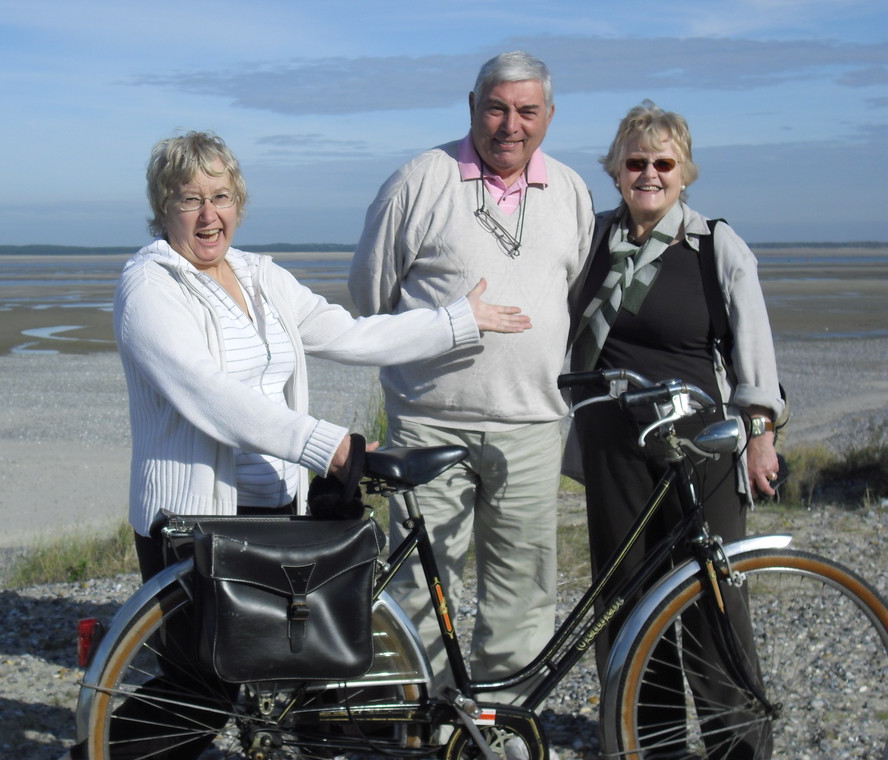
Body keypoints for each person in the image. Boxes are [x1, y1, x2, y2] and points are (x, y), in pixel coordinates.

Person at [109, 130, 531, 759]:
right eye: (188, 199)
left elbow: (348, 334)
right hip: (193, 520)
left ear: (239, 202)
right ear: (162, 208)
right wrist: (325, 445)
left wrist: (455, 322)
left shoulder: (258, 276)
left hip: (275, 513)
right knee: (203, 685)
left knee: (282, 674)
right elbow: (210, 394)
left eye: (220, 196)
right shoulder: (150, 285)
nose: (207, 215)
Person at [348, 51, 594, 701]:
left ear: (548, 117)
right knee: (420, 589)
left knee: (523, 590)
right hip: (429, 423)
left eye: (526, 111)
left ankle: (499, 722)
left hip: (534, 424)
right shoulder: (418, 182)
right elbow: (370, 297)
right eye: (496, 108)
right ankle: (416, 718)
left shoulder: (570, 190)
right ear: (472, 107)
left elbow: (571, 287)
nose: (510, 125)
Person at [568, 101, 784, 756]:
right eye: (636, 162)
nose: (650, 174)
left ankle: (737, 746)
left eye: (664, 163)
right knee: (630, 603)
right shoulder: (590, 241)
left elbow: (754, 353)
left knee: (712, 604)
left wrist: (762, 436)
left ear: (684, 171)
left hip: (701, 449)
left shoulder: (716, 244)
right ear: (615, 170)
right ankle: (648, 742)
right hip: (615, 452)